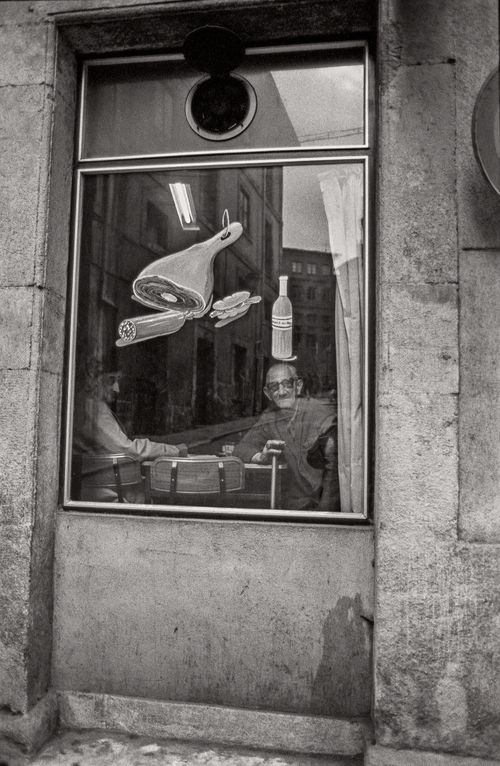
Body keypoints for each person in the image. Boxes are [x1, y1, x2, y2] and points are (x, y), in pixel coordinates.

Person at [233, 363, 340, 511]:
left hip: (325, 506)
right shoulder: (269, 418)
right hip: (294, 507)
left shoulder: (318, 412)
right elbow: (241, 449)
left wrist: (323, 516)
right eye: (274, 387)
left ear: (298, 386)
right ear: (267, 393)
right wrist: (260, 457)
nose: (281, 392)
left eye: (287, 384)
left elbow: (334, 468)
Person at [73, 368, 186, 502]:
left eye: (117, 381)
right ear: (93, 380)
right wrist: (174, 450)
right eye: (111, 380)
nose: (117, 389)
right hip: (106, 494)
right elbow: (128, 449)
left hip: (97, 487)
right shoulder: (93, 408)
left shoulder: (85, 404)